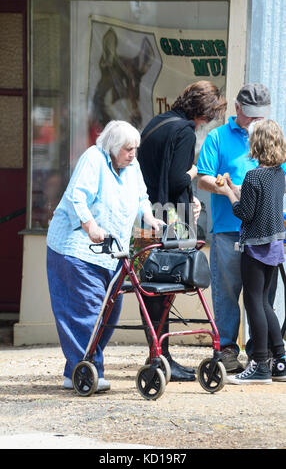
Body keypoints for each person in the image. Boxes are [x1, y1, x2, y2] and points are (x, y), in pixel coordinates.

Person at [46, 120, 164, 392]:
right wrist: (90, 226)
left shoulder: (131, 166)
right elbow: (78, 197)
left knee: (110, 311)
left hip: (112, 253)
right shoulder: (93, 159)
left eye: (135, 148)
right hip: (76, 249)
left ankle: (75, 371)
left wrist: (148, 217)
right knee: (86, 312)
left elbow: (141, 197)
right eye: (127, 149)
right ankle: (89, 372)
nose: (132, 153)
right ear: (112, 146)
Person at [137, 81, 227, 381]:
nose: (208, 123)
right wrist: (195, 171)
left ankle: (158, 355)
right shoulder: (185, 131)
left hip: (147, 214)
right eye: (210, 116)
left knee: (150, 289)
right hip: (171, 219)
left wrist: (190, 199)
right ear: (203, 112)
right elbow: (177, 178)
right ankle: (164, 360)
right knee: (168, 289)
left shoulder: (158, 122)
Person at [197, 83, 273, 373]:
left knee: (263, 295)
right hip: (229, 228)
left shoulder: (271, 137)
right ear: (237, 108)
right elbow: (203, 178)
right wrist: (227, 187)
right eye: (250, 114)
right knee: (227, 292)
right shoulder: (217, 137)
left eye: (260, 115)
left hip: (265, 230)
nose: (255, 120)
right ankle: (227, 348)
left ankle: (260, 352)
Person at [219, 119, 286, 384]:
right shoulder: (279, 174)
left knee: (253, 303)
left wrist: (227, 193)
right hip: (275, 245)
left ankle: (259, 364)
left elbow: (244, 212)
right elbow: (259, 202)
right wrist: (237, 189)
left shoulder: (254, 175)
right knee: (264, 302)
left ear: (256, 143)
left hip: (256, 247)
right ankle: (279, 359)